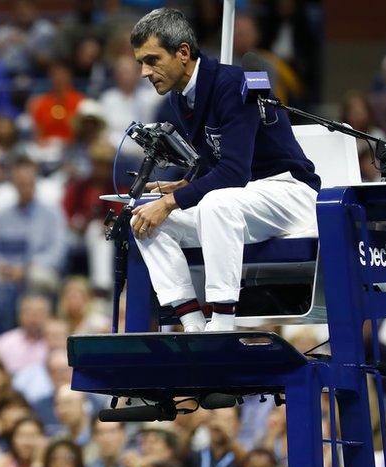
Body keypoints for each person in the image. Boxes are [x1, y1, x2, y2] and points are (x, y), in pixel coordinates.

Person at [127, 8, 320, 331]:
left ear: (183, 53)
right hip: (245, 200)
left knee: (213, 204)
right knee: (145, 220)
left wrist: (172, 201)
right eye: (141, 63)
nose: (145, 71)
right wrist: (184, 185)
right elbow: (214, 161)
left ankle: (222, 321)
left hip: (290, 192)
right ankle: (191, 321)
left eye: (152, 60)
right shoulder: (179, 97)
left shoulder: (233, 84)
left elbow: (233, 173)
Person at [0, 157, 68, 294]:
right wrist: (1, 266)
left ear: (34, 183)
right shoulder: (2, 215)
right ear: (14, 185)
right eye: (20, 184)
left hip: (37, 268)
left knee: (38, 277)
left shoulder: (52, 214)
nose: (24, 187)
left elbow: (57, 251)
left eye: (28, 183)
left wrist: (27, 268)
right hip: (5, 269)